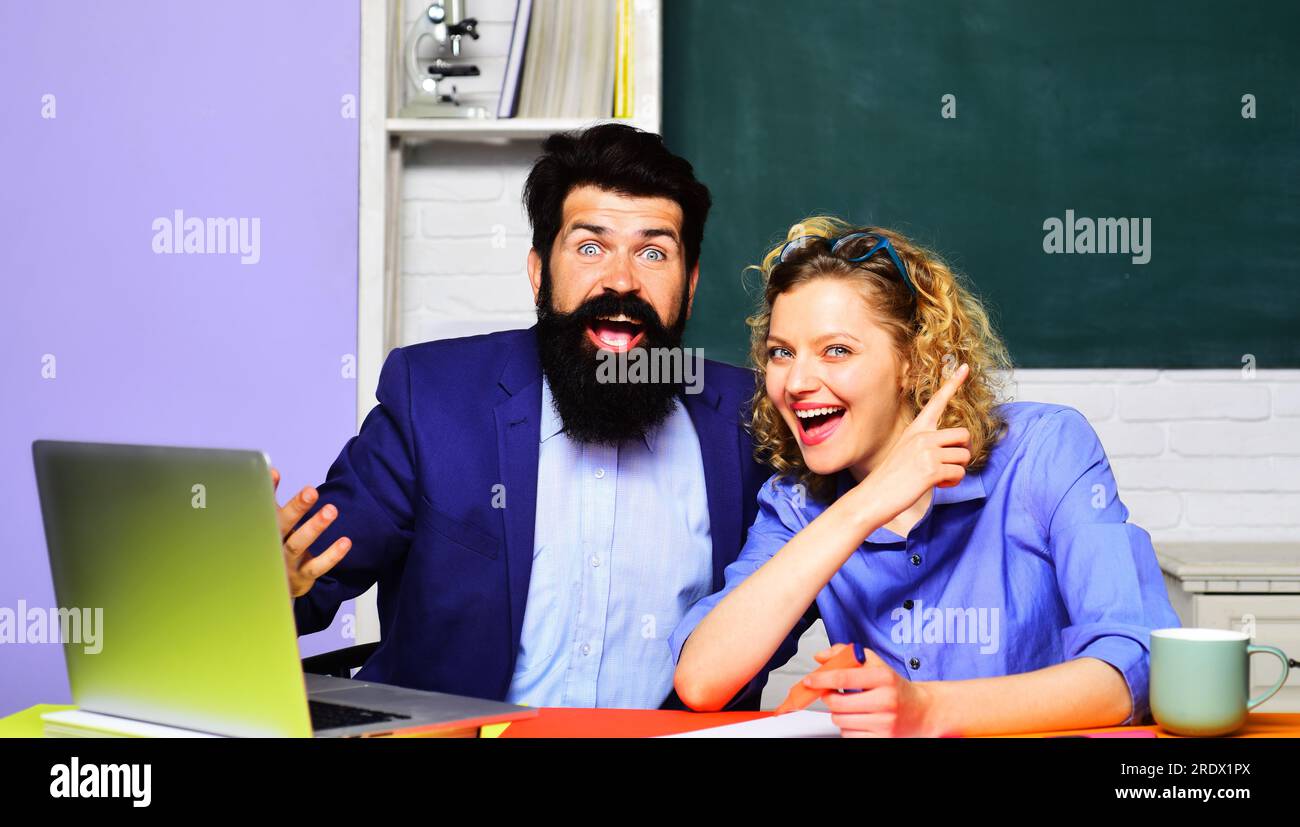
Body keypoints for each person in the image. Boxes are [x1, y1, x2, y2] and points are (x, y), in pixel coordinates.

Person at [276, 123, 773, 709]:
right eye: (590, 247)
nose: (621, 279)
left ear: (689, 286)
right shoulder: (434, 400)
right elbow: (307, 579)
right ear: (539, 272)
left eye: (653, 252)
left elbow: (784, 601)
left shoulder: (750, 419)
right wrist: (269, 586)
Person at [671, 217, 1181, 735]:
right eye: (782, 353)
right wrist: (865, 504)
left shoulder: (1044, 449)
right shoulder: (797, 504)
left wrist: (928, 710)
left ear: (914, 362)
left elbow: (1137, 665)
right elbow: (703, 681)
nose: (797, 382)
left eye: (837, 350)